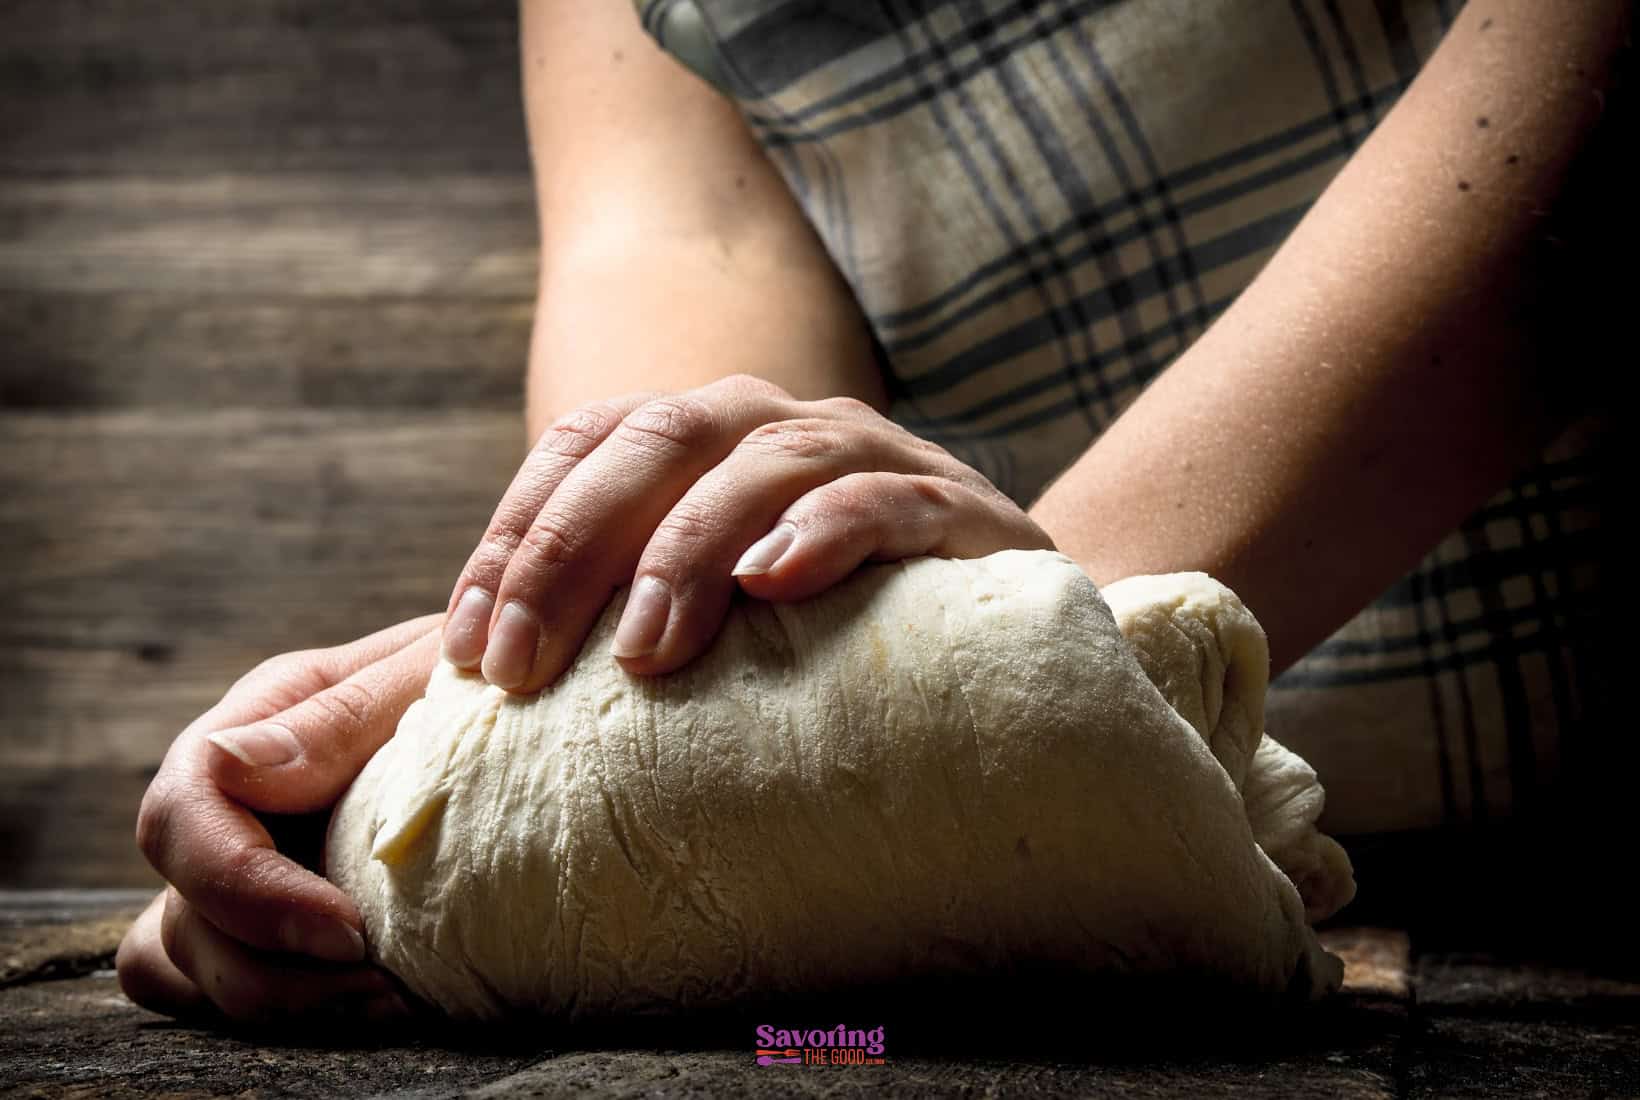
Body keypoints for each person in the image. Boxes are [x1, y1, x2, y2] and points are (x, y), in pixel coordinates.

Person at [116, 0, 1630, 1022]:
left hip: (1562, 894)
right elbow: (683, 237)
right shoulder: (841, 1004)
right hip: (928, 982)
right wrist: (566, 705)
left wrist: (973, 706)